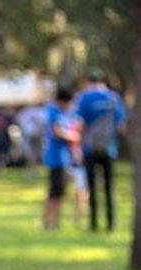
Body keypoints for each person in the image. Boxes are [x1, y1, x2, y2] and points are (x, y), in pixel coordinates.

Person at [75, 71, 127, 231]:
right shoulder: (114, 98)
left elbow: (80, 124)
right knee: (108, 187)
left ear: (88, 81)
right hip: (109, 149)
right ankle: (111, 223)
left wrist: (79, 146)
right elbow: (121, 127)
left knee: (91, 187)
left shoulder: (85, 98)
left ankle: (94, 224)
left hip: (90, 148)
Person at [42, 87, 75, 230]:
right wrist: (75, 137)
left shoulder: (60, 112)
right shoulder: (54, 112)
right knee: (54, 192)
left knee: (60, 192)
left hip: (63, 157)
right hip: (56, 158)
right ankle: (49, 222)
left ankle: (56, 222)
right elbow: (58, 131)